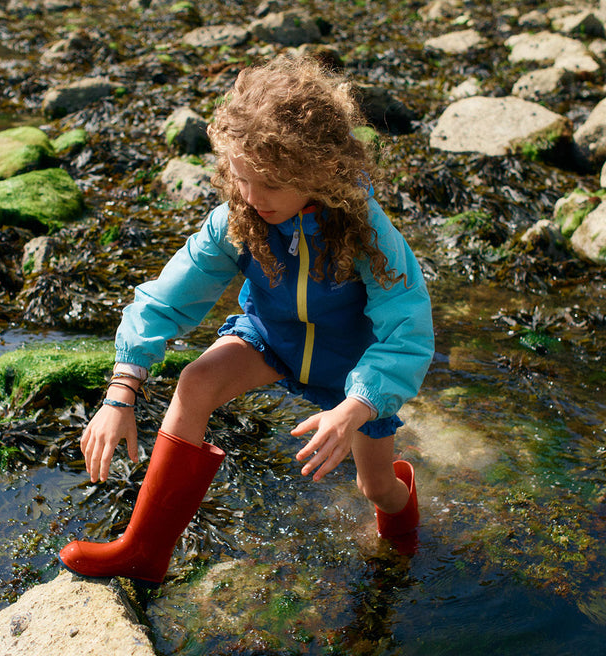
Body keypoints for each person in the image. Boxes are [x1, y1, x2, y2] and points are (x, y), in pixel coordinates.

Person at [59, 55, 435, 587]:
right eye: (242, 179)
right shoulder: (238, 219)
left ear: (319, 172)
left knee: (374, 489)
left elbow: (408, 332)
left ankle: (403, 541)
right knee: (196, 380)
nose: (254, 199)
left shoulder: (369, 233)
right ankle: (143, 550)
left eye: (273, 185)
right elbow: (165, 300)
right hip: (272, 341)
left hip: (356, 375)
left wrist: (355, 407)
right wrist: (122, 390)